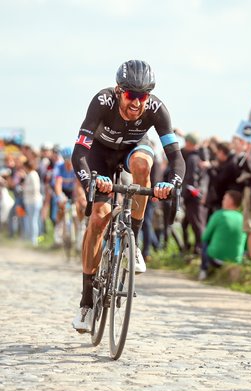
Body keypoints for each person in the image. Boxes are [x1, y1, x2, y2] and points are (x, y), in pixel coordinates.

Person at [71, 59, 186, 333]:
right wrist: (91, 181)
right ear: (118, 90)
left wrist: (171, 183)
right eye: (131, 94)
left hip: (134, 149)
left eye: (143, 95)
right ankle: (87, 302)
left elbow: (176, 158)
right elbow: (79, 152)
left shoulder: (157, 109)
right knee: (98, 219)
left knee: (143, 166)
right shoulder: (102, 102)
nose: (137, 102)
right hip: (100, 154)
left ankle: (132, 242)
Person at [198, 190, 247, 281]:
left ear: (231, 201)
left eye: (225, 198)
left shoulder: (219, 215)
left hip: (215, 260)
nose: (222, 201)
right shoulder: (243, 218)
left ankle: (203, 270)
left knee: (204, 242)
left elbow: (205, 237)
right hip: (237, 260)